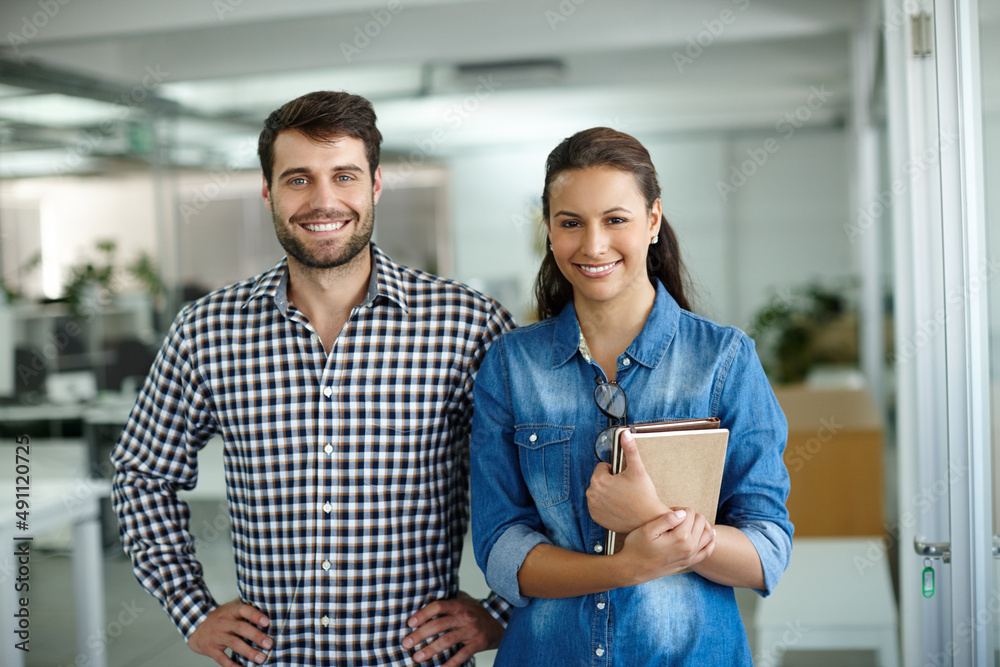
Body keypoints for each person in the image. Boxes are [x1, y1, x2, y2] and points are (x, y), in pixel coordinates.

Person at [112, 91, 514, 667]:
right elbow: (142, 474)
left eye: (344, 176)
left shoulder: (468, 324)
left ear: (375, 185)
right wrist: (190, 608)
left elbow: (538, 480)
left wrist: (499, 610)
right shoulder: (206, 331)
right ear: (267, 190)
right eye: (298, 179)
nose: (323, 201)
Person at [470, 127, 792, 665]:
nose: (593, 245)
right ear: (549, 232)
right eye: (570, 223)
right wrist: (627, 566)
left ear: (652, 221)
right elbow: (501, 553)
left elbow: (765, 555)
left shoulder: (725, 361)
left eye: (615, 219)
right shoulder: (511, 365)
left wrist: (650, 514)